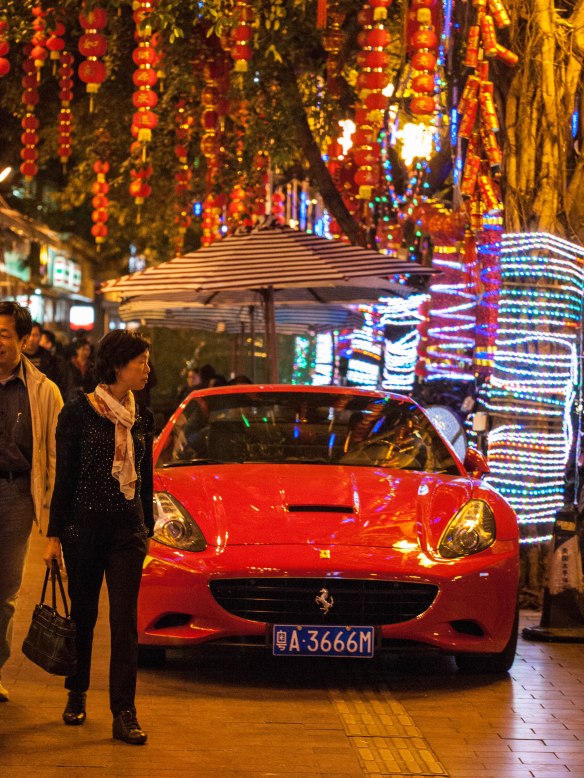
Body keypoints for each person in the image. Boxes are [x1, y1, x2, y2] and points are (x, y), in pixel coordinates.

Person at [44, 329, 154, 745]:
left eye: (147, 361)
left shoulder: (143, 417)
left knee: (124, 621)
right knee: (84, 615)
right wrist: (54, 537)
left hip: (128, 531)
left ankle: (124, 711)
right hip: (82, 529)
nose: (147, 369)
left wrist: (149, 529)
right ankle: (77, 691)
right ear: (116, 365)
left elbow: (144, 478)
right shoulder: (77, 413)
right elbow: (65, 479)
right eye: (140, 361)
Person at [0, 301, 63, 702]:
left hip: (17, 495)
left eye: (4, 335)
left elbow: (56, 458)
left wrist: (55, 524)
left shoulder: (43, 390)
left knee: (4, 589)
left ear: (25, 340)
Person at [23, 320, 66, 396]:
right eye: (29, 335)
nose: (31, 339)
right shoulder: (16, 356)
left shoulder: (49, 358)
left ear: (40, 336)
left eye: (35, 335)